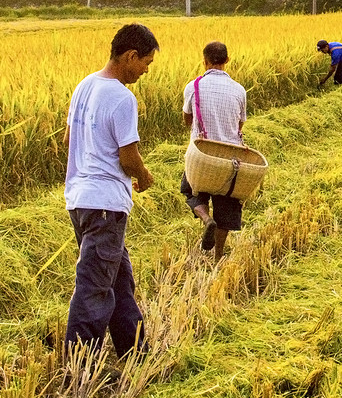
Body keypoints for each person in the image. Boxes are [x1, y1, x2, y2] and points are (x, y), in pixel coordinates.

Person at [63, 22, 159, 359]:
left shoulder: (84, 86)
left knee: (119, 282)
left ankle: (135, 353)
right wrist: (143, 176)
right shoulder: (121, 96)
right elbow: (128, 155)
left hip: (80, 200)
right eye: (145, 63)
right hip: (105, 205)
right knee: (93, 289)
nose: (145, 71)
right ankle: (77, 366)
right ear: (130, 55)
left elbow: (68, 140)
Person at [179, 40, 248, 259]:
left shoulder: (193, 86)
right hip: (230, 159)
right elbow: (240, 124)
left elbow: (187, 120)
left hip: (202, 157)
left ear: (204, 61)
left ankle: (206, 218)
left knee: (191, 190)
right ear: (227, 60)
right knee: (226, 206)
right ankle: (218, 256)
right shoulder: (239, 90)